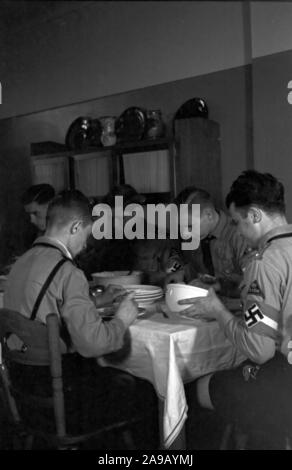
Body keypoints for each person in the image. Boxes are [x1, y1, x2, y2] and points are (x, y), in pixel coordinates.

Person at [4, 190, 158, 447]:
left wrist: (96, 300)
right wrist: (123, 318)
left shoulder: (21, 263)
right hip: (62, 401)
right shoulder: (67, 271)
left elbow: (44, 304)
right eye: (86, 235)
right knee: (145, 389)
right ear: (75, 227)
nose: (86, 245)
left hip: (23, 390)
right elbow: (93, 345)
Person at [179, 170, 292, 449]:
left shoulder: (263, 262)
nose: (238, 230)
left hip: (283, 378)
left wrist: (216, 309)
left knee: (193, 390)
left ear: (254, 215)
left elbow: (260, 350)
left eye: (238, 222)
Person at [165, 186, 252, 298]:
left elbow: (254, 285)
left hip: (235, 310)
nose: (185, 233)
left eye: (190, 226)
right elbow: (194, 269)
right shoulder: (194, 236)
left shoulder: (239, 235)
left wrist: (220, 286)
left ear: (209, 215)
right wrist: (182, 274)